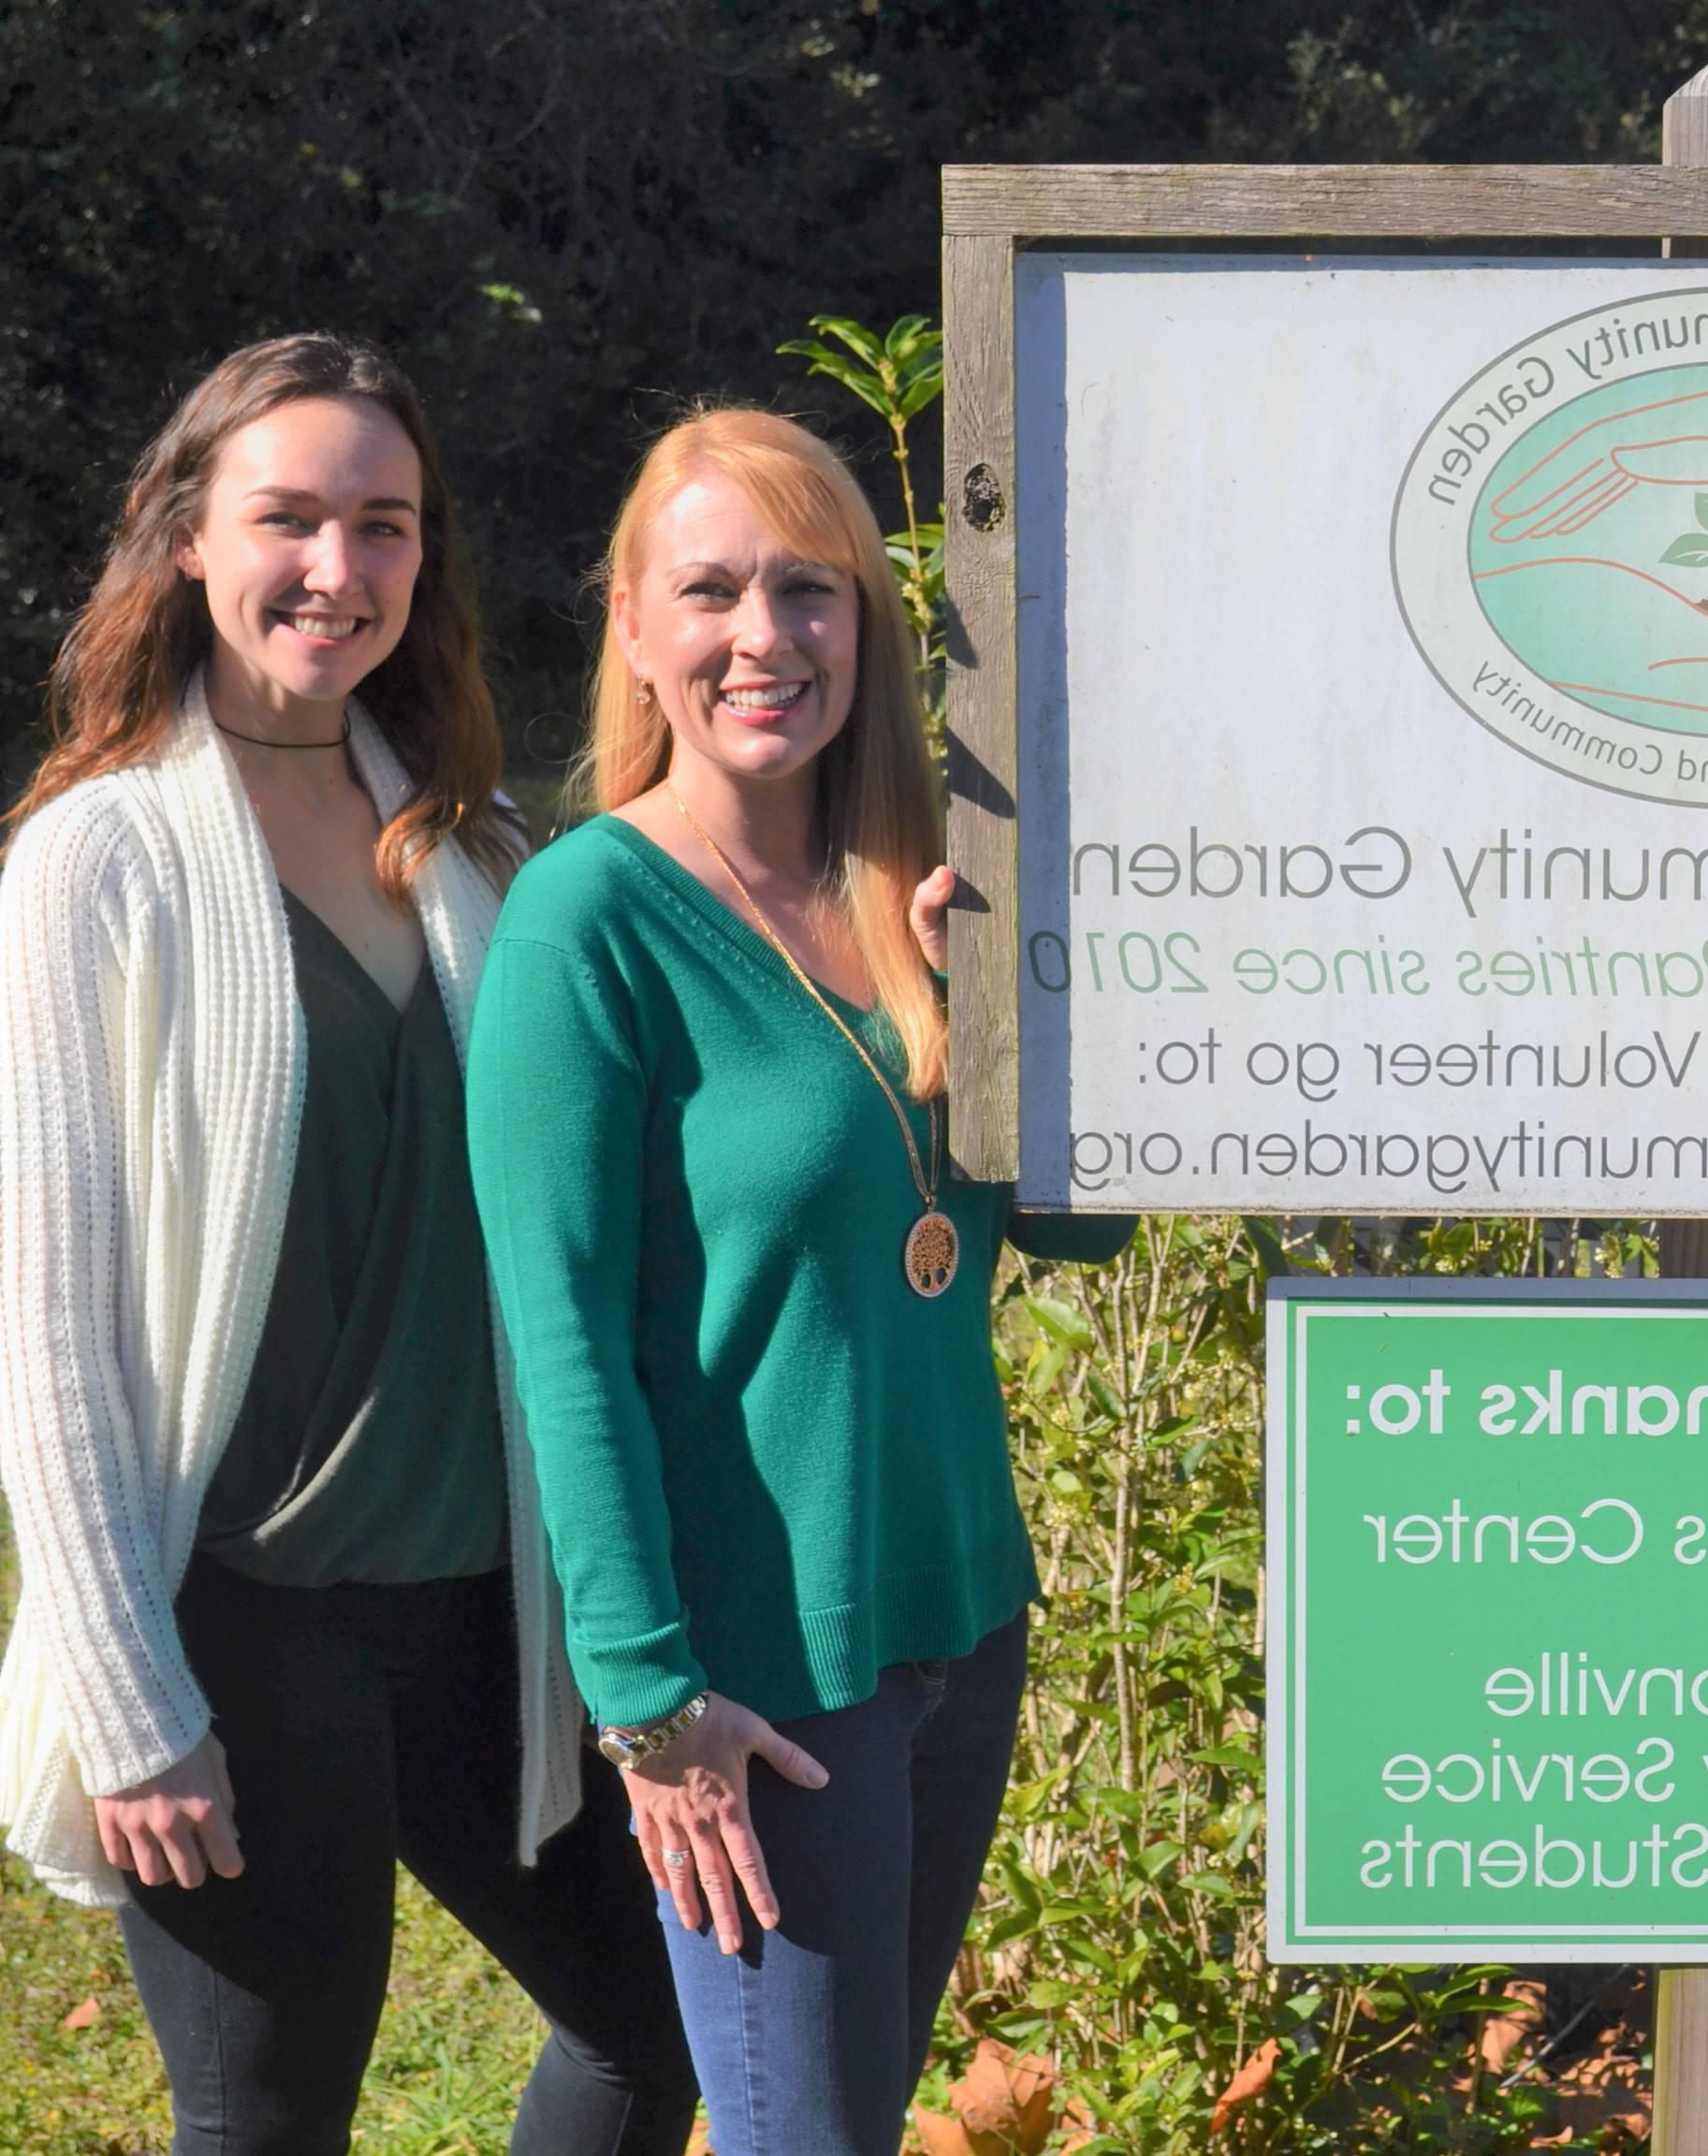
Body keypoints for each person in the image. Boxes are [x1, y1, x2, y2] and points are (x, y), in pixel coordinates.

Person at [0, 334, 693, 2153]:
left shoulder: (469, 846)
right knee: (277, 2114)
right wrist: (127, 1697)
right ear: (185, 539)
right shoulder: (101, 863)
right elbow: (50, 1325)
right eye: (288, 516)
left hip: (480, 1606)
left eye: (383, 525)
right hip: (242, 1617)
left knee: (654, 2027)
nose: (338, 566)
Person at [466, 407, 1133, 2156]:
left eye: (808, 590)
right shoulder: (587, 920)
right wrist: (649, 1701)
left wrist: (1007, 1022)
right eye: (711, 590)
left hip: (957, 1615)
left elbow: (1080, 1232)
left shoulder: (918, 888)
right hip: (762, 1678)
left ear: (867, 625)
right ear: (631, 627)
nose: (763, 635)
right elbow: (563, 1342)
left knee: (837, 2116)